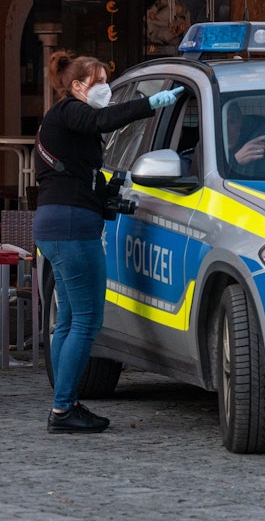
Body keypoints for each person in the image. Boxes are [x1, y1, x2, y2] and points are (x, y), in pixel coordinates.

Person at [33, 52, 182, 434]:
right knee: (86, 320)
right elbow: (103, 118)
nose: (105, 90)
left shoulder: (64, 122)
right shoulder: (69, 111)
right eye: (99, 82)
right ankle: (64, 409)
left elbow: (83, 169)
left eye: (106, 81)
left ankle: (63, 404)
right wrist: (150, 102)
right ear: (78, 85)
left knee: (67, 319)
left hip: (56, 224)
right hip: (71, 227)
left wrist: (110, 188)